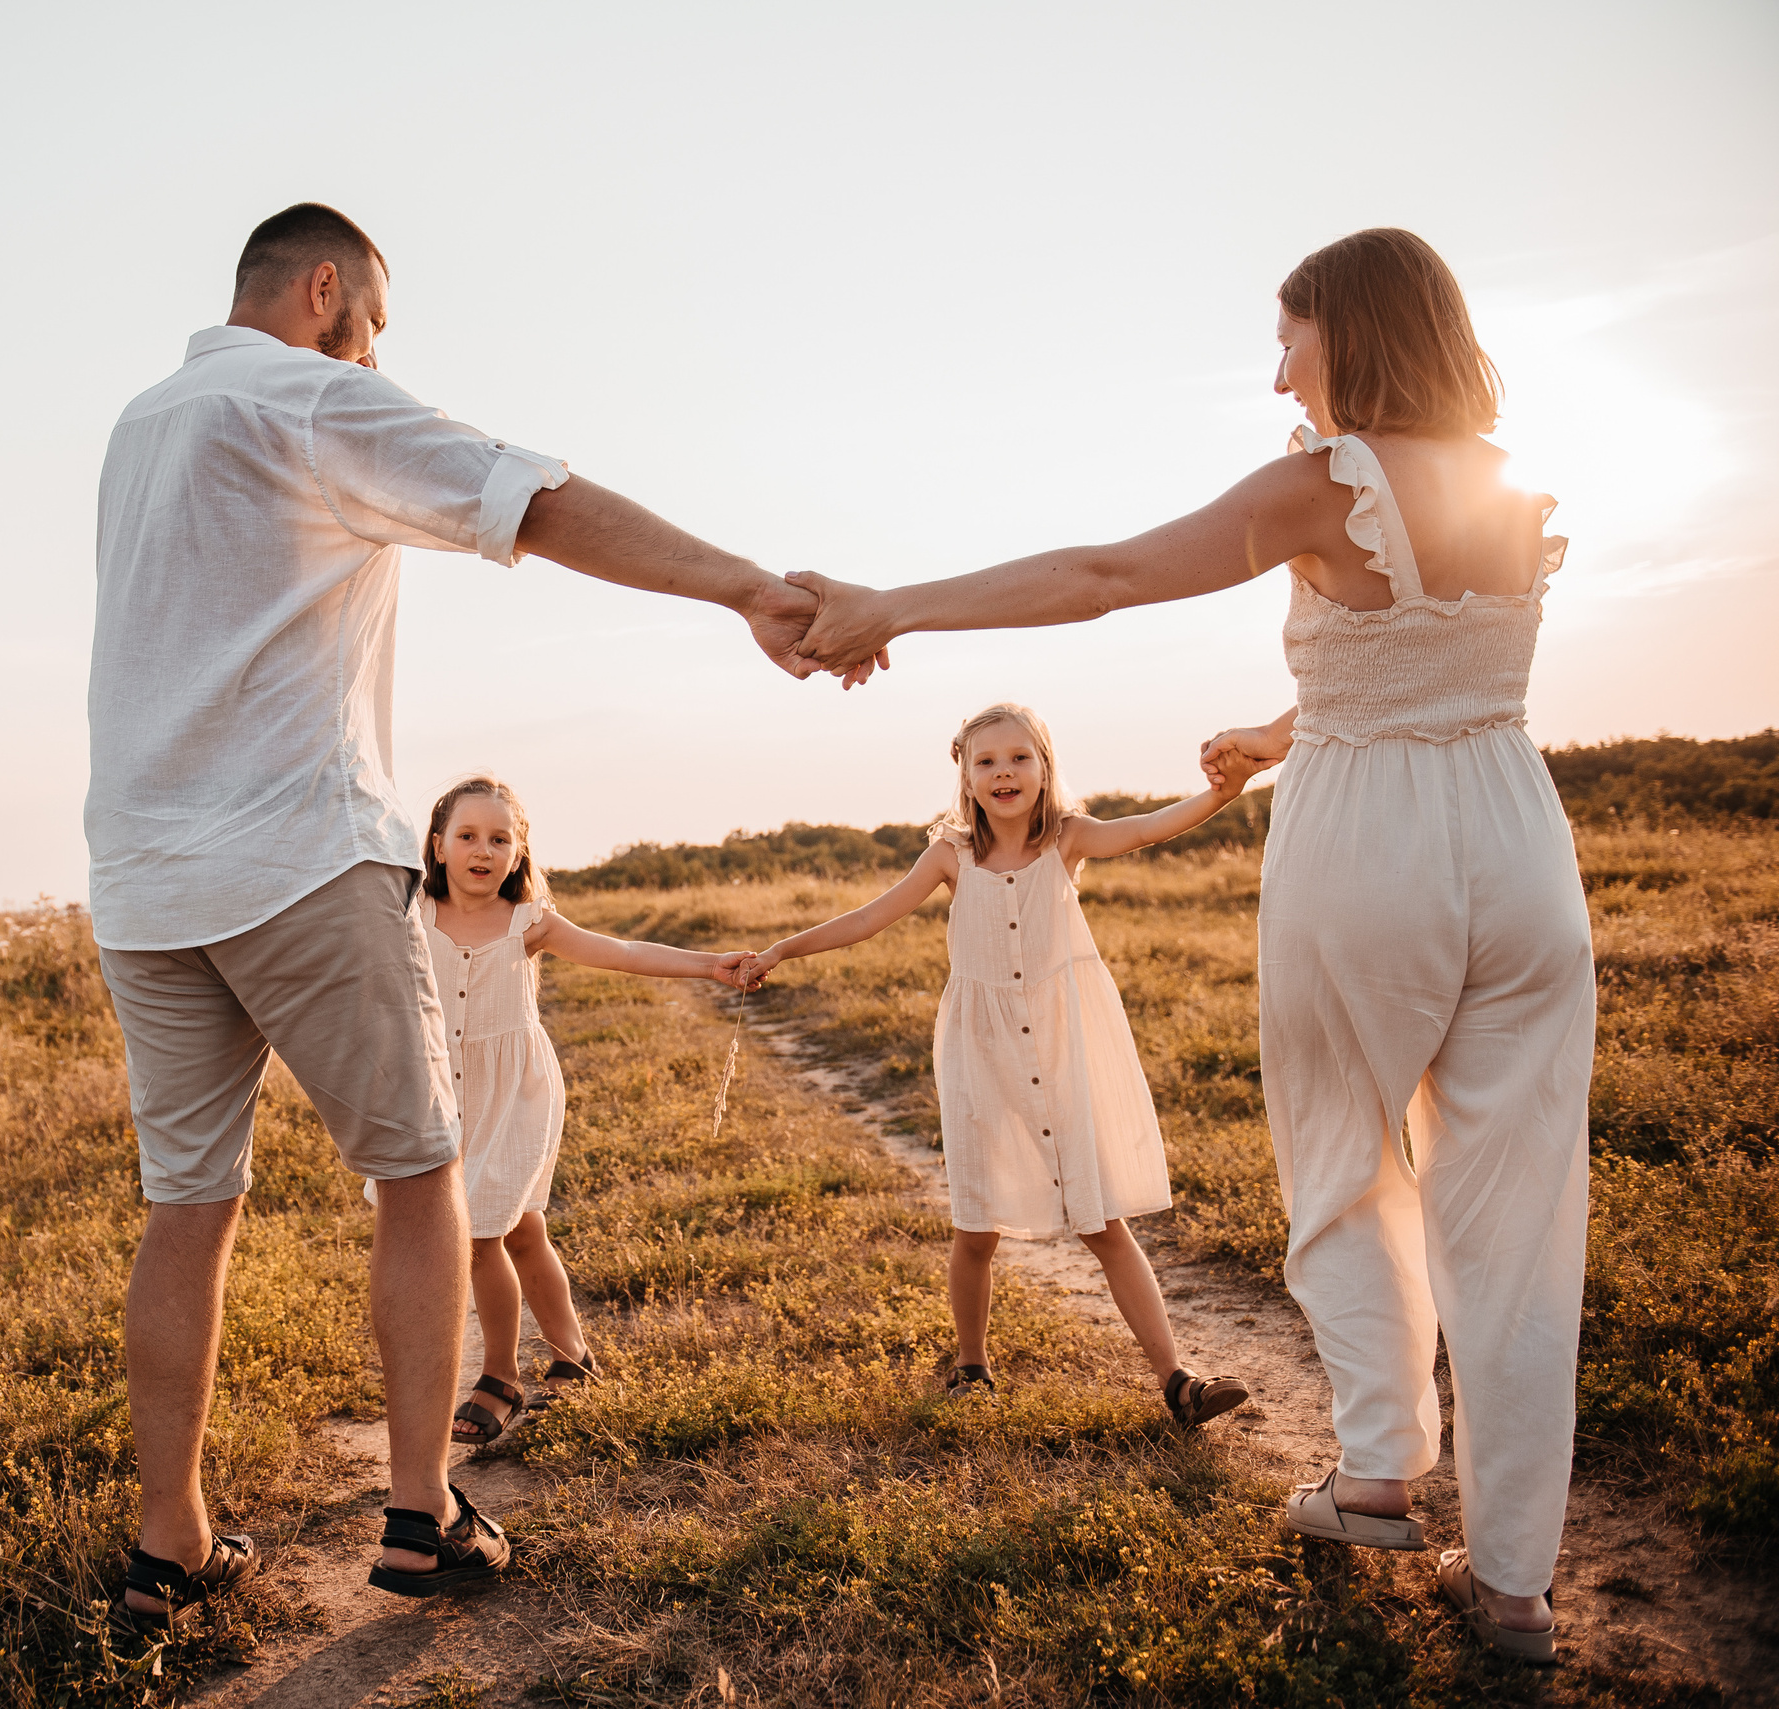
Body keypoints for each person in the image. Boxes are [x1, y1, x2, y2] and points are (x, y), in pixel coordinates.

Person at [784, 230, 1591, 1663]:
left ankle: (1378, 1471)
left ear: (1351, 331)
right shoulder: (1517, 488)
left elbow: (1106, 573)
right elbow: (1443, 669)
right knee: (1523, 1208)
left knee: (1343, 1154)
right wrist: (1284, 727)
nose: (1280, 372)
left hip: (1365, 845)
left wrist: (893, 605)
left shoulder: (1327, 483)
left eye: (1290, 339)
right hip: (1521, 839)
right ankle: (1518, 1583)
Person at [88, 203, 823, 1625]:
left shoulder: (141, 424)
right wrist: (746, 586)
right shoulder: (312, 394)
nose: (377, 354)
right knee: (423, 1175)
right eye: (374, 324)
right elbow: (529, 499)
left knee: (188, 1201)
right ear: (324, 291)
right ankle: (422, 1513)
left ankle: (169, 1540)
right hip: (299, 855)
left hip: (142, 878)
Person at [742, 703, 1256, 1425]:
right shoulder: (950, 854)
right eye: (986, 761)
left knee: (1101, 1220)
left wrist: (1221, 794)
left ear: (1044, 766)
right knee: (977, 1226)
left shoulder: (1067, 838)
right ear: (965, 774)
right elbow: (868, 917)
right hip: (980, 1055)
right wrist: (781, 950)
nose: (1004, 773)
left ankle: (1178, 1381)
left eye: (1019, 757)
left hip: (1062, 1047)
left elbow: (1149, 827)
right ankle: (972, 1365)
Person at [395, 776, 755, 1447]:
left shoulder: (527, 922)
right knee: (524, 1230)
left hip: (514, 1097)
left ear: (519, 850)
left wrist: (710, 966)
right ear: (438, 845)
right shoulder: (411, 911)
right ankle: (574, 1355)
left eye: (499, 838)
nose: (483, 850)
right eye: (467, 835)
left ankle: (500, 1376)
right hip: (439, 1092)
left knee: (483, 1236)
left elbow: (623, 953)